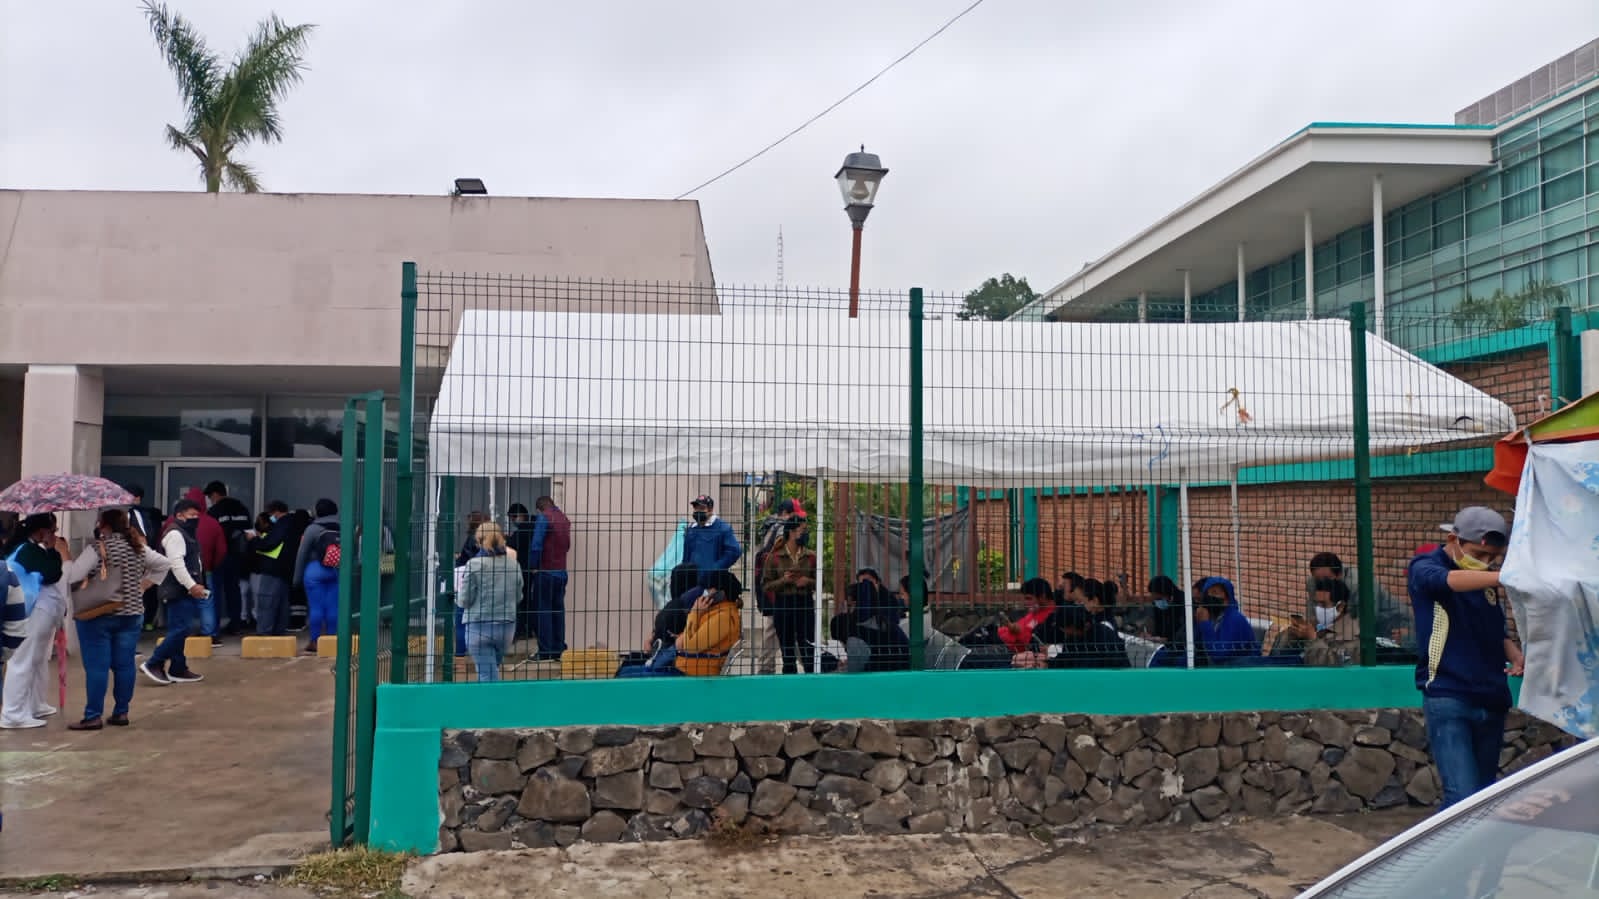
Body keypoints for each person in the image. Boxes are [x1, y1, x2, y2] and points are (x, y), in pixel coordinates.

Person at [1410, 506, 1523, 808]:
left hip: (1492, 697)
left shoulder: (1486, 580)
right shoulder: (1425, 566)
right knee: (1462, 798)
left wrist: (1513, 652)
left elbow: (1491, 625)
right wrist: (1503, 576)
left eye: (1493, 557)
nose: (1485, 562)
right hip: (1449, 695)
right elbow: (1446, 581)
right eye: (1479, 554)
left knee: (1483, 800)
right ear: (1453, 539)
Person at [68, 509, 171, 730]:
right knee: (124, 665)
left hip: (98, 615)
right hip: (131, 614)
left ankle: (93, 715)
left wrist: (66, 557)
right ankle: (121, 712)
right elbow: (164, 563)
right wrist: (145, 584)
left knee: (97, 667)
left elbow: (74, 576)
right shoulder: (138, 548)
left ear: (104, 525)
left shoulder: (97, 548)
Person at [2, 514, 94, 728]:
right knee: (23, 660)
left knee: (37, 659)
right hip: (29, 610)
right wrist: (54, 550)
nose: (55, 534)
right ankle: (13, 714)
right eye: (52, 530)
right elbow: (53, 573)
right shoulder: (27, 550)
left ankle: (35, 704)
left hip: (32, 608)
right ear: (40, 531)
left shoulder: (29, 548)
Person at [617, 570, 743, 678]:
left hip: (690, 673)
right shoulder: (716, 612)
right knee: (625, 671)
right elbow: (690, 637)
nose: (705, 593)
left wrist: (695, 613)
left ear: (721, 594)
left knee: (624, 677)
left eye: (709, 589)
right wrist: (684, 635)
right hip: (684, 668)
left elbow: (691, 646)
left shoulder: (723, 618)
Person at [138, 500, 210, 686]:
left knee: (180, 629)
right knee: (181, 629)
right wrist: (191, 586)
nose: (195, 518)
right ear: (179, 515)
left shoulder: (185, 533)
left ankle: (178, 668)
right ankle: (154, 663)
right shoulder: (175, 534)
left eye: (197, 515)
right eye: (191, 515)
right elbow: (176, 564)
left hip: (182, 590)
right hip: (176, 590)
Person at [1300, 552, 1414, 651]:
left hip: (1394, 625)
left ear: (1339, 575)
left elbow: (1367, 619)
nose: (1321, 584)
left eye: (1326, 579)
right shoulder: (1313, 582)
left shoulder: (1359, 583)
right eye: (1318, 580)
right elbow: (1312, 612)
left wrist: (1329, 634)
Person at [459, 522, 522, 682]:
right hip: (506, 627)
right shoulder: (513, 564)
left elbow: (465, 600)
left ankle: (492, 698)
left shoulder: (474, 564)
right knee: (492, 669)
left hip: (479, 625)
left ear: (478, 541)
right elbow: (518, 597)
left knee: (487, 675)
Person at [751, 498, 805, 674]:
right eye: (795, 515)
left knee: (777, 626)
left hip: (768, 584)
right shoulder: (782, 529)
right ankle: (767, 667)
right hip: (780, 587)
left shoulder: (770, 526)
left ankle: (769, 666)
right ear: (786, 514)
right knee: (777, 626)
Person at [760, 519, 817, 674]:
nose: (806, 534)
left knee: (808, 647)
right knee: (787, 650)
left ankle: (811, 679)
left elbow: (821, 582)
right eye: (803, 530)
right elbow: (766, 585)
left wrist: (807, 581)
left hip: (804, 603)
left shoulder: (811, 556)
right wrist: (784, 581)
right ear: (791, 532)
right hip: (783, 603)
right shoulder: (775, 557)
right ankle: (790, 679)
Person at [524, 496, 572, 662]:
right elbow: (567, 546)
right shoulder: (564, 519)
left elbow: (536, 545)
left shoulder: (544, 518)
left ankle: (545, 651)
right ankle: (559, 649)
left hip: (545, 572)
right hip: (561, 572)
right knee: (558, 612)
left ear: (539, 508)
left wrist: (533, 566)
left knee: (543, 612)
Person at [204, 481, 252, 636]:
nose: (210, 500)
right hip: (239, 556)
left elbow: (211, 535)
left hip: (219, 556)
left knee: (215, 592)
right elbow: (248, 532)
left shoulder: (214, 511)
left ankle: (214, 626)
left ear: (215, 494)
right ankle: (236, 624)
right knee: (234, 590)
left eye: (210, 496)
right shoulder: (242, 508)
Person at [292, 499, 340, 655]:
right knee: (333, 607)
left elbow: (302, 554)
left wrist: (296, 579)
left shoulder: (312, 528)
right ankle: (332, 640)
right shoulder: (343, 527)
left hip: (315, 570)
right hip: (336, 570)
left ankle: (315, 641)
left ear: (318, 512)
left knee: (316, 607)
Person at [182, 487, 227, 647]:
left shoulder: (176, 521)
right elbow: (221, 549)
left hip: (181, 570)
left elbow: (162, 542)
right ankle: (210, 635)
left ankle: (182, 632)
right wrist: (212, 566)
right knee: (206, 602)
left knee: (182, 601)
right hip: (205, 569)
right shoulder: (212, 523)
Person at [247, 500, 297, 636]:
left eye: (270, 514)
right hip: (286, 570)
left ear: (276, 512)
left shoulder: (282, 524)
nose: (270, 518)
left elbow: (270, 544)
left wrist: (254, 540)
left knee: (266, 602)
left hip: (273, 569)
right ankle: (279, 632)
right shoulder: (294, 524)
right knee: (282, 603)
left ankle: (264, 632)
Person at [1194, 576, 1259, 665]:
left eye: (1215, 593)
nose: (1210, 597)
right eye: (1207, 594)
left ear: (1227, 599)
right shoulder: (1211, 616)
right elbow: (1195, 647)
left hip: (1241, 669)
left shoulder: (1235, 618)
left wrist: (1205, 624)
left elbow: (1219, 655)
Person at [126, 486, 165, 630]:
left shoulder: (140, 514)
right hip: (135, 560)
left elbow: (144, 538)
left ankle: (145, 621)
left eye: (137, 496)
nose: (135, 499)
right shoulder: (129, 514)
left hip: (141, 560)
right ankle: (141, 622)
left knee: (144, 591)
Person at [681, 494, 741, 582]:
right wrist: (684, 575)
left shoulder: (722, 528)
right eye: (696, 508)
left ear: (710, 510)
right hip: (692, 581)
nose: (697, 511)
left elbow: (734, 551)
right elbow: (686, 557)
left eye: (702, 508)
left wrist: (715, 568)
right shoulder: (691, 530)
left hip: (713, 582)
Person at [506, 503, 537, 642]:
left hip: (525, 568)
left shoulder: (525, 528)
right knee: (528, 601)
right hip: (531, 568)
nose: (513, 521)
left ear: (521, 515)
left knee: (523, 601)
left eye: (514, 517)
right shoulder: (534, 524)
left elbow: (513, 544)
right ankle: (528, 629)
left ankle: (522, 630)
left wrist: (506, 538)